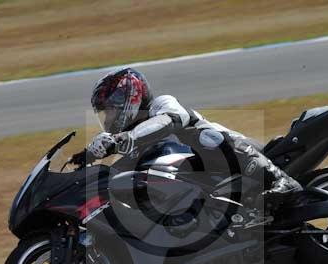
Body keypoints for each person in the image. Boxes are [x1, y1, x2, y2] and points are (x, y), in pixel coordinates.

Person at [83, 67, 301, 213]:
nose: (108, 118)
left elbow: (169, 121)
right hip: (213, 182)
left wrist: (123, 138)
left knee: (206, 137)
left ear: (131, 98)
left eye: (110, 110)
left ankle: (281, 180)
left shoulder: (162, 105)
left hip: (242, 157)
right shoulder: (134, 143)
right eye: (104, 113)